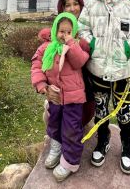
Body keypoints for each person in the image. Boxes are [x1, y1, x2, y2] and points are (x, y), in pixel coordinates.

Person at [78, 0, 130, 174]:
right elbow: (82, 26)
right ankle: (103, 141)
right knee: (101, 110)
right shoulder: (92, 5)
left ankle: (127, 147)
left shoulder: (128, 7)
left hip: (121, 73)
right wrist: (91, 43)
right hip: (98, 69)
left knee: (124, 112)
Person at [31, 12, 89, 182]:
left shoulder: (77, 46)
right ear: (55, 30)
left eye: (68, 31)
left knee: (72, 128)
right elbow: (36, 65)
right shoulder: (46, 48)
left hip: (73, 98)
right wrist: (42, 85)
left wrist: (70, 44)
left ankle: (70, 161)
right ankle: (56, 146)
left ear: (75, 32)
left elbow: (79, 62)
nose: (64, 35)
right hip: (54, 95)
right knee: (54, 121)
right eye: (61, 31)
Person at [40, 0, 95, 126]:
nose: (72, 9)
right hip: (62, 89)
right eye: (67, 5)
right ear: (62, 8)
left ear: (82, 6)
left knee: (78, 123)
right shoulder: (56, 35)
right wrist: (45, 87)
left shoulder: (89, 30)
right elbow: (43, 64)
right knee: (57, 122)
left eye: (75, 4)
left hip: (86, 88)